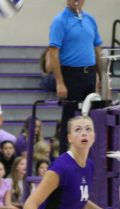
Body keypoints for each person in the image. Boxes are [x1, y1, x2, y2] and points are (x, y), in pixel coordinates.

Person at [49, 0, 102, 153]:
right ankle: (67, 157)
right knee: (70, 118)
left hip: (90, 74)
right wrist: (59, 82)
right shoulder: (60, 21)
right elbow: (53, 52)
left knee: (91, 118)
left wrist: (101, 76)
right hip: (71, 75)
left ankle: (90, 157)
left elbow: (97, 48)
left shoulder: (90, 19)